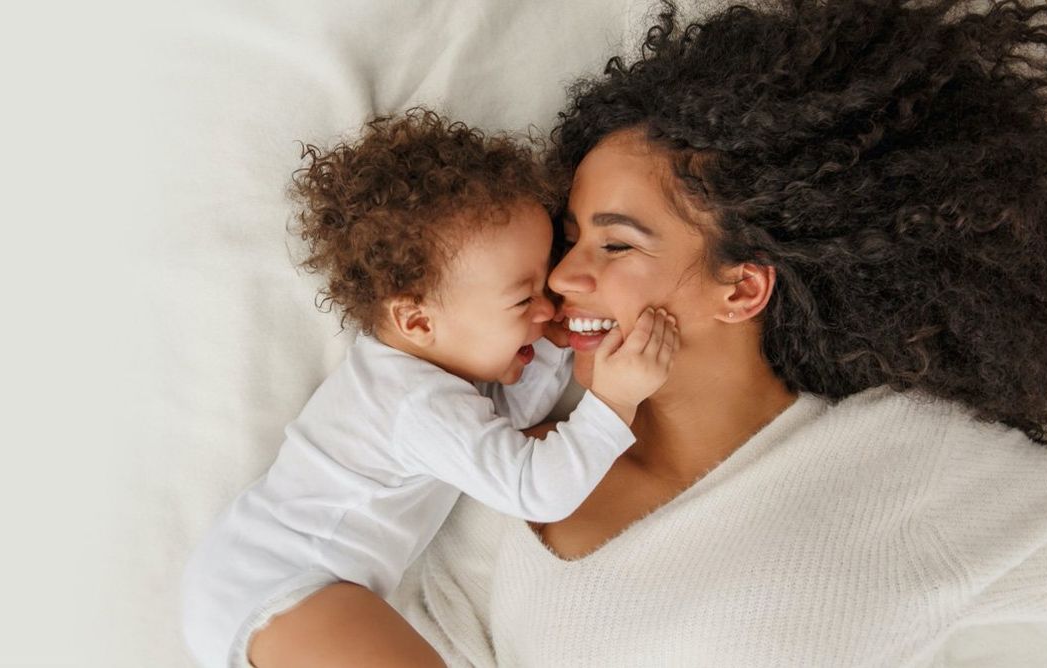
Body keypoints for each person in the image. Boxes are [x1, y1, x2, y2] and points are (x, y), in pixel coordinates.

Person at [384, 0, 1047, 664]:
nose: (563, 278)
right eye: (568, 242)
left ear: (741, 287)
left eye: (616, 245)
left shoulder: (901, 461)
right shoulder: (512, 458)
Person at [179, 109, 683, 668]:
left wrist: (550, 344)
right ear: (418, 321)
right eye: (524, 301)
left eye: (544, 288)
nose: (549, 308)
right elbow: (533, 485)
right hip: (282, 584)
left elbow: (505, 422)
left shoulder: (424, 372)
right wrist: (614, 402)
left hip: (264, 582)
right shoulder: (415, 402)